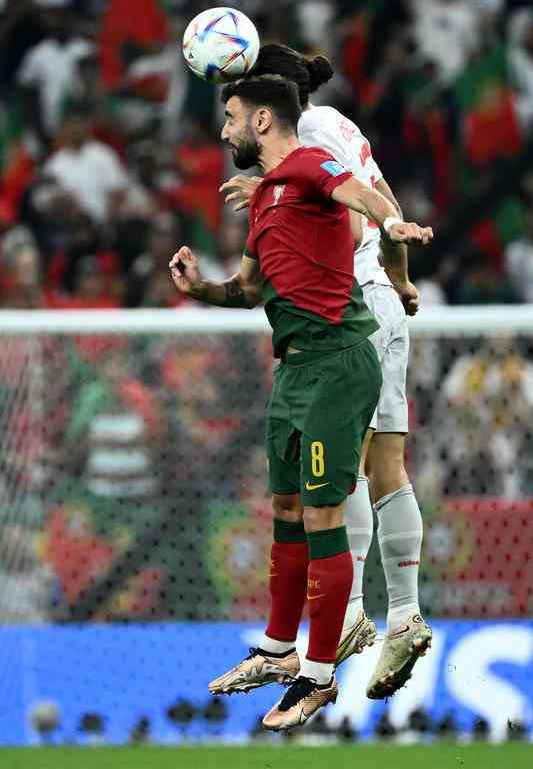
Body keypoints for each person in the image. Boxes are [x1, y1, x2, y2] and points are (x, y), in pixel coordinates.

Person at [169, 76, 432, 729]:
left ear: (262, 121)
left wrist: (390, 220)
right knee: (285, 507)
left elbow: (360, 194)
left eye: (229, 118)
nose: (222, 130)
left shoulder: (312, 163)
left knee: (323, 513)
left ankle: (316, 677)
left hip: (339, 362)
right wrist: (199, 288)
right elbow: (250, 290)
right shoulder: (262, 203)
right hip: (291, 371)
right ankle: (276, 648)